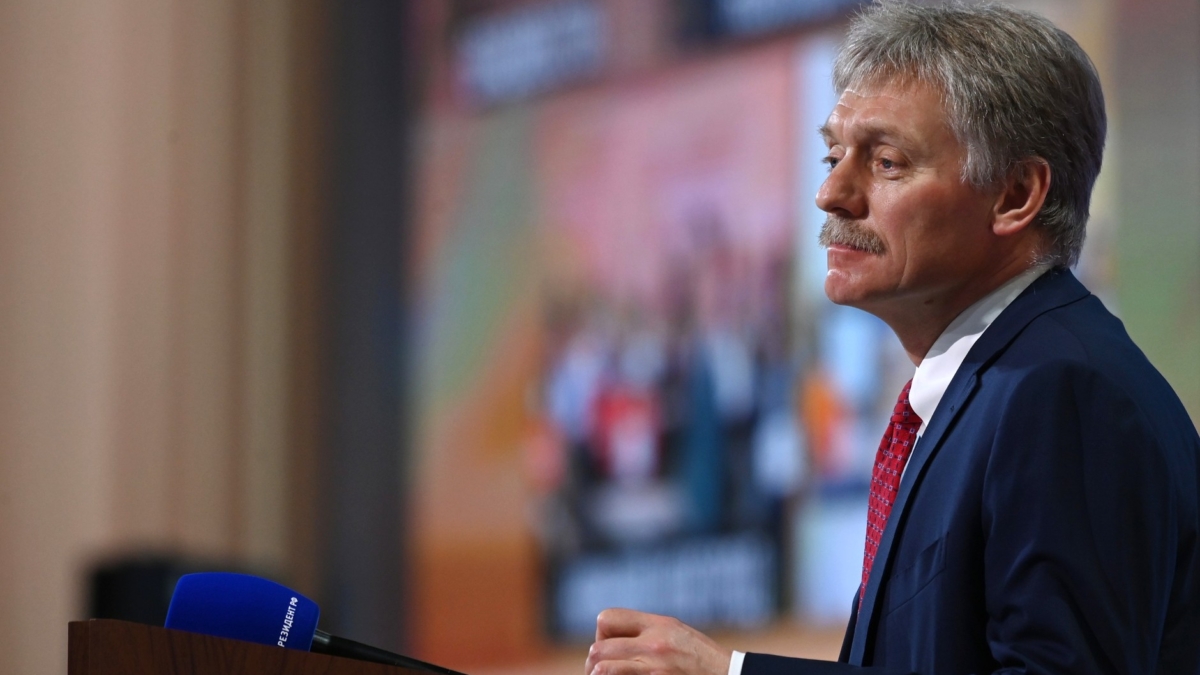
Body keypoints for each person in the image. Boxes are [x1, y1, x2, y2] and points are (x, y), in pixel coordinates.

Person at [584, 2, 1200, 674]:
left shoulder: (1060, 393)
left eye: (885, 161)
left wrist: (731, 674)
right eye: (832, 155)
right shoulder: (985, 394)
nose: (830, 193)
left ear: (1015, 194)